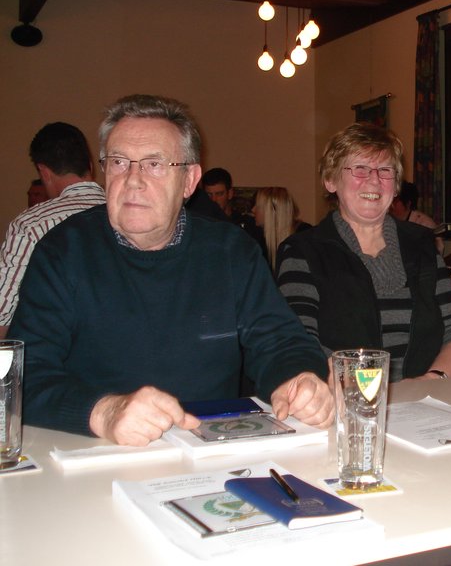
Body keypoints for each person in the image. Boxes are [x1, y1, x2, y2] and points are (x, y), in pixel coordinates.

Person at [8, 94, 332, 446]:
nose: (133, 179)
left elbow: (280, 341)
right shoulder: (63, 251)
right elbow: (23, 375)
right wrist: (104, 412)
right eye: (118, 162)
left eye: (154, 164)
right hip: (94, 451)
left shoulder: (231, 251)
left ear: (189, 181)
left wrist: (298, 379)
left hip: (208, 450)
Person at [276, 122, 451, 381]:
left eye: (385, 170)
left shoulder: (421, 244)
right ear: (330, 180)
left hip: (425, 398)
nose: (374, 180)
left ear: (396, 185)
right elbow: (300, 343)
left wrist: (431, 381)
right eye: (360, 168)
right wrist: (370, 392)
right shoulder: (302, 252)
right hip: (343, 398)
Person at [0, 122, 105, 338]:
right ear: (90, 165)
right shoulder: (128, 214)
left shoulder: (31, 225)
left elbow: (2, 316)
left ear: (44, 172)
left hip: (55, 351)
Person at [253, 186, 311, 272]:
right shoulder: (261, 239)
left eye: (258, 206)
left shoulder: (304, 236)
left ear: (272, 210)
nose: (253, 210)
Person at [389, 181, 444, 254]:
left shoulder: (425, 224)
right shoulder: (390, 222)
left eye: (395, 202)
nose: (391, 205)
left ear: (408, 203)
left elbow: (438, 249)